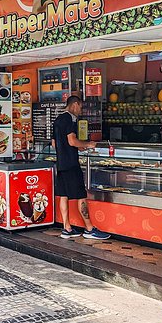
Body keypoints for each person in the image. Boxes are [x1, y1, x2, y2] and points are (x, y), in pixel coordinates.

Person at [52, 96, 111, 240]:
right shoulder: (70, 119)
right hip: (72, 165)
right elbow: (72, 141)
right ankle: (89, 229)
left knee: (64, 196)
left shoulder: (58, 120)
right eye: (81, 107)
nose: (81, 110)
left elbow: (55, 144)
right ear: (75, 104)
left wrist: (79, 148)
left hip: (61, 165)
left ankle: (67, 229)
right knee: (81, 197)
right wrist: (88, 144)